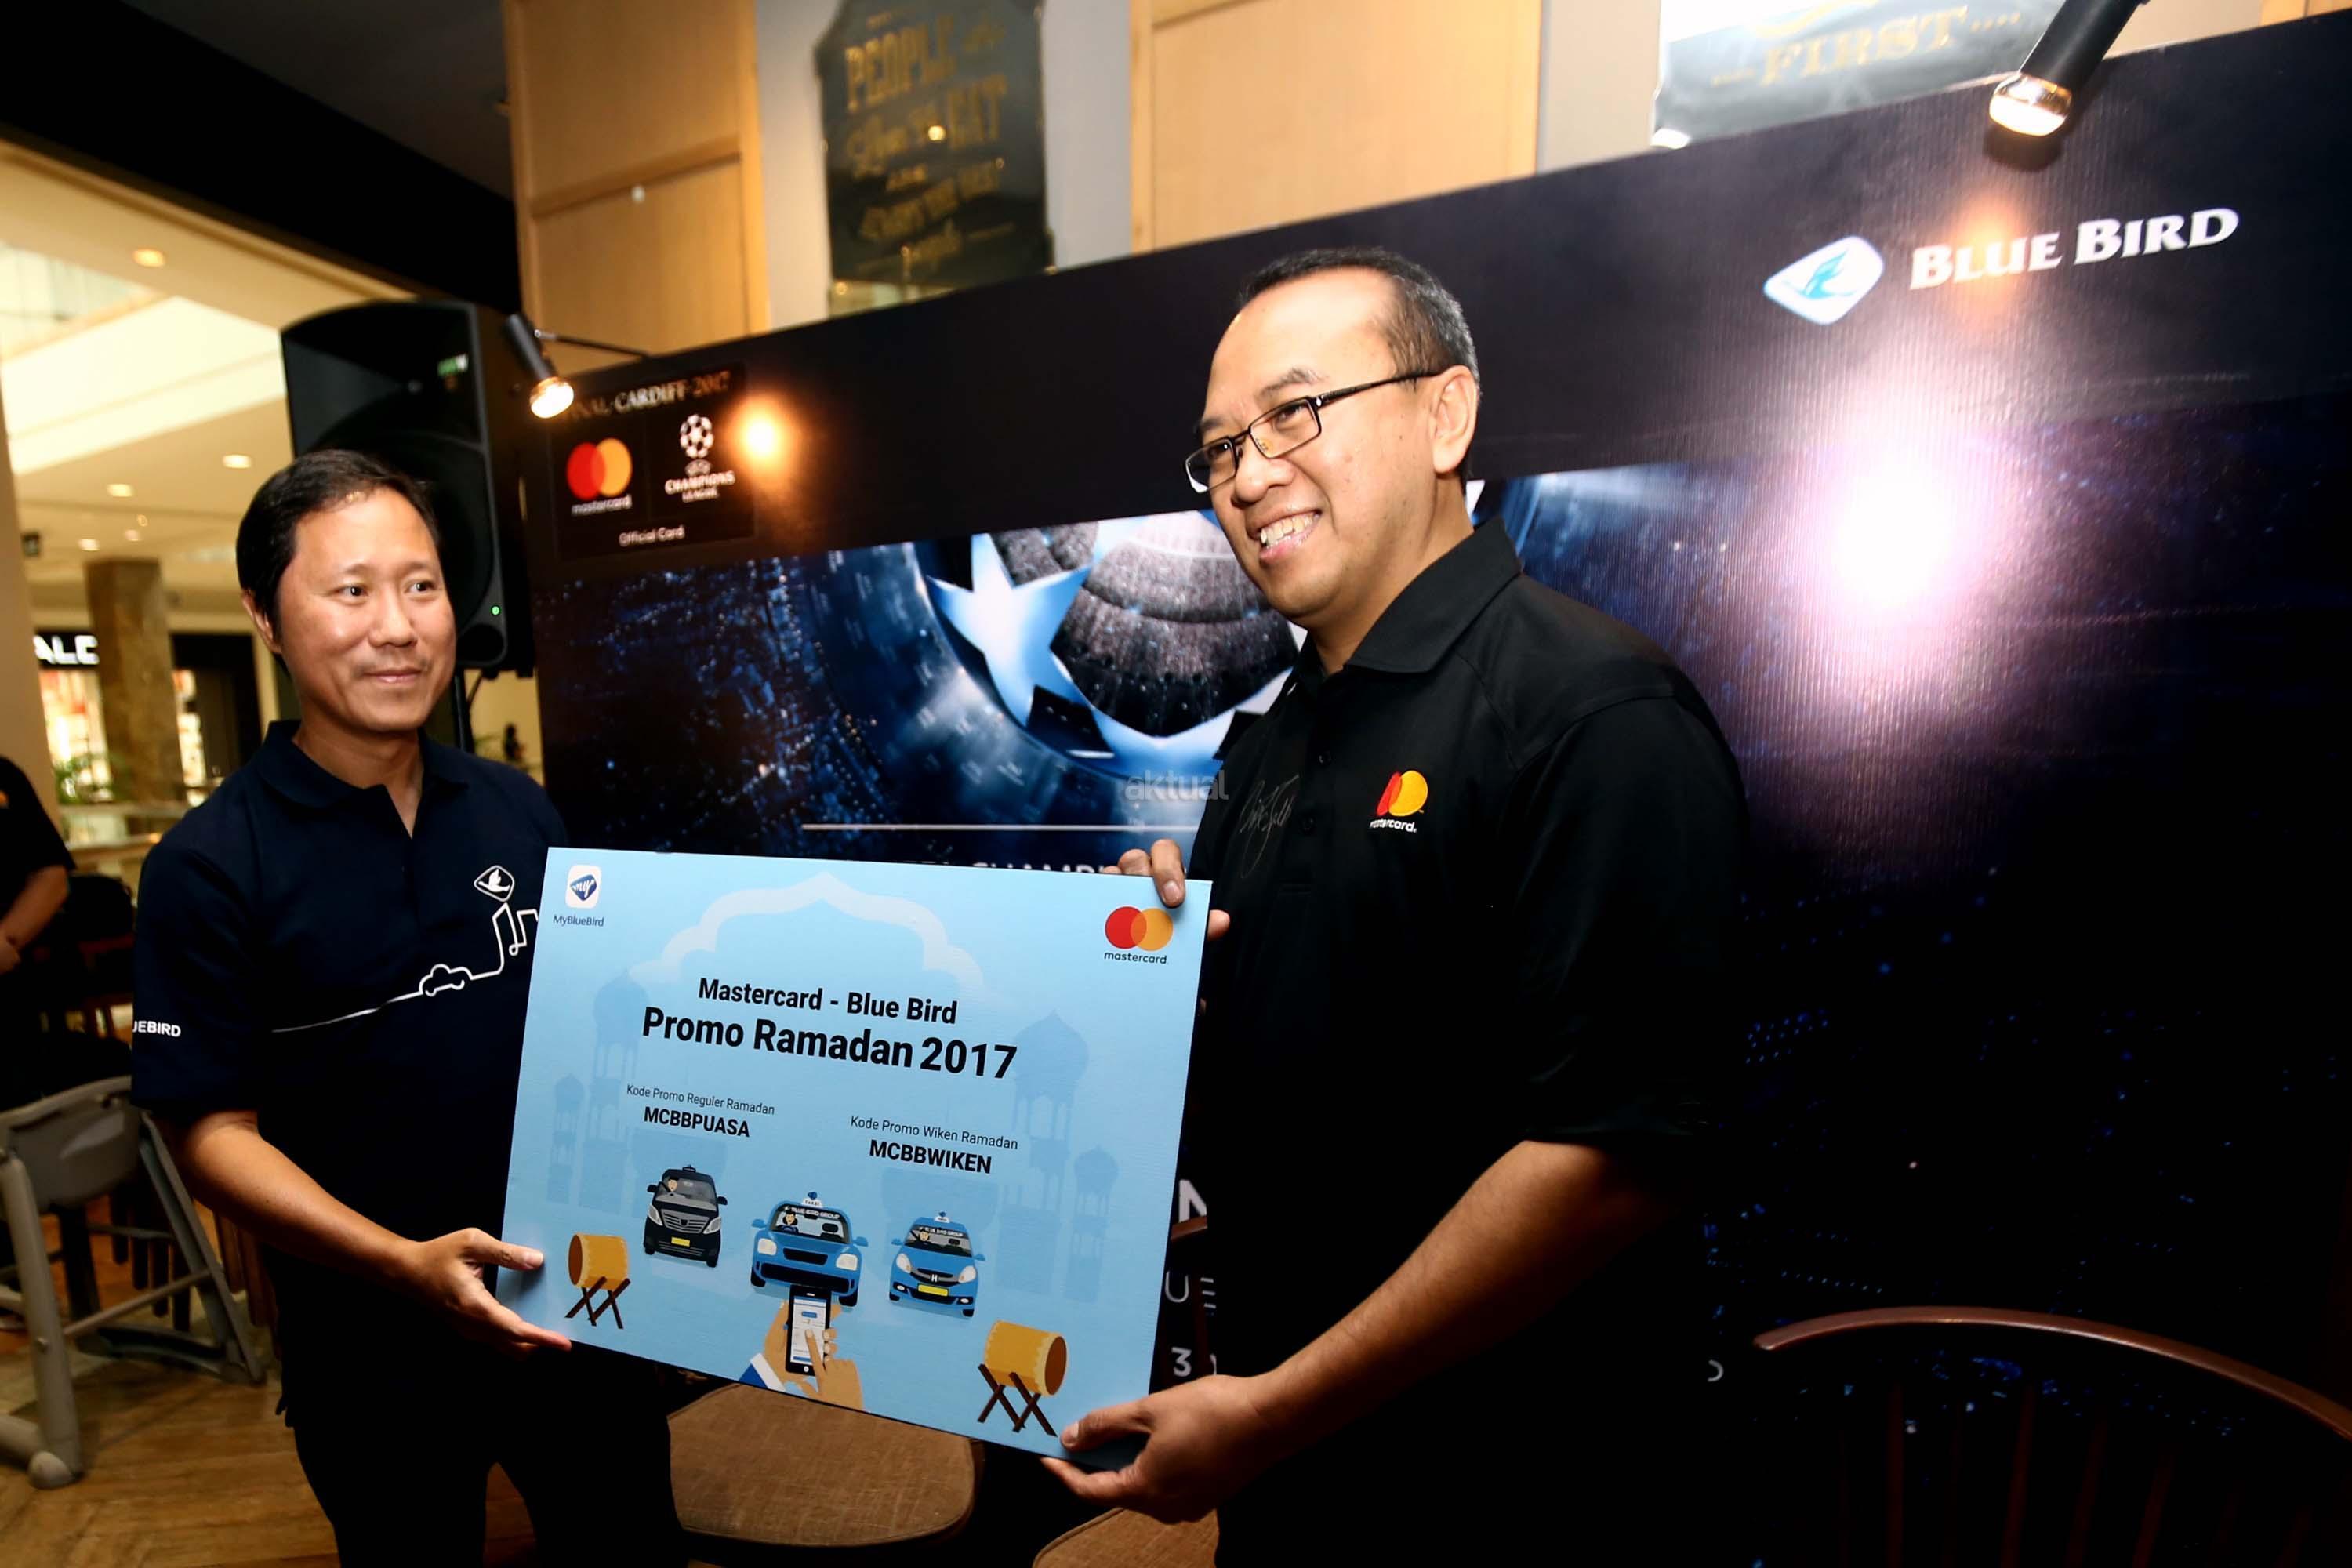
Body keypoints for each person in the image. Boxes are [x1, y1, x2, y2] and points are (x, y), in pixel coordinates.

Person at [1047, 249, 1748, 1563]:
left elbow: (1610, 1161)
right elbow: (1287, 1090)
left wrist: (1271, 1413)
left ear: (1446, 414)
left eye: (1295, 413)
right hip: (1302, 1489)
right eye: (1221, 448)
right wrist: (1147, 991)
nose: (1249, 475)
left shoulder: (1592, 710)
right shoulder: (1272, 745)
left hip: (1522, 1497)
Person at [129, 450, 683, 1565]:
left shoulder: (523, 812)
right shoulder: (209, 864)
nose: (398, 627)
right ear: (265, 616)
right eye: (352, 591)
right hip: (371, 1351)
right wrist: (399, 1261)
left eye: (421, 586)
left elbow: (601, 1043)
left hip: (576, 1313)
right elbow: (209, 1135)